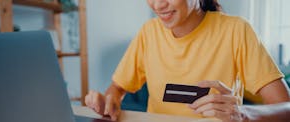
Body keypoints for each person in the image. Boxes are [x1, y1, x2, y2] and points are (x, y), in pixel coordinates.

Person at [85, 0, 290, 121]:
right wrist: (109, 99)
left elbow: (286, 107)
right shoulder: (149, 32)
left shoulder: (236, 30)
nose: (158, 5)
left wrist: (243, 113)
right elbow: (117, 88)